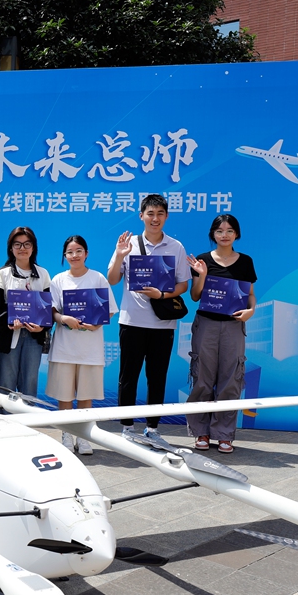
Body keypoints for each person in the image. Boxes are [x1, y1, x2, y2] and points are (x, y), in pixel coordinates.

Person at [107, 193, 191, 443]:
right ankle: (127, 428)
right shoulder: (128, 243)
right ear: (141, 215)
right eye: (150, 213)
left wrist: (161, 293)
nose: (155, 218)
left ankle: (152, 429)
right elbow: (112, 279)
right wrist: (121, 255)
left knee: (157, 376)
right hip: (131, 321)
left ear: (166, 216)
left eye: (160, 214)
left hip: (162, 324)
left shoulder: (175, 246)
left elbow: (183, 285)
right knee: (128, 375)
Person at [186, 214, 257, 454]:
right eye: (219, 231)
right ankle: (201, 432)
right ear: (212, 234)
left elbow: (250, 295)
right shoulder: (203, 260)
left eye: (229, 230)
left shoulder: (246, 261)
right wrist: (202, 275)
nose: (224, 235)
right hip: (206, 324)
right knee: (203, 377)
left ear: (237, 234)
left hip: (233, 326)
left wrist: (251, 311)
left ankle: (224, 434)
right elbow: (195, 296)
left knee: (230, 379)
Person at [48, 235, 118, 454]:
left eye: (79, 251)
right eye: (70, 252)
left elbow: (109, 310)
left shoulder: (97, 278)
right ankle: (67, 435)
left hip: (90, 348)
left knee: (85, 395)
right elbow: (52, 311)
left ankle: (84, 436)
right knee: (65, 395)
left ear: (86, 253)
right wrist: (63, 319)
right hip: (64, 346)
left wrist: (96, 324)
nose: (74, 255)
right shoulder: (58, 280)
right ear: (65, 255)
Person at [0, 227, 51, 397]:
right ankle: (6, 421)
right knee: (7, 383)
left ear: (33, 247)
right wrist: (9, 321)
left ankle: (27, 422)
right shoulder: (1, 274)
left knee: (30, 382)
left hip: (33, 337)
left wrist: (42, 327)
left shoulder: (43, 274)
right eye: (17, 244)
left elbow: (48, 308)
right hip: (9, 337)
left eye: (27, 244)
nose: (22, 248)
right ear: (11, 248)